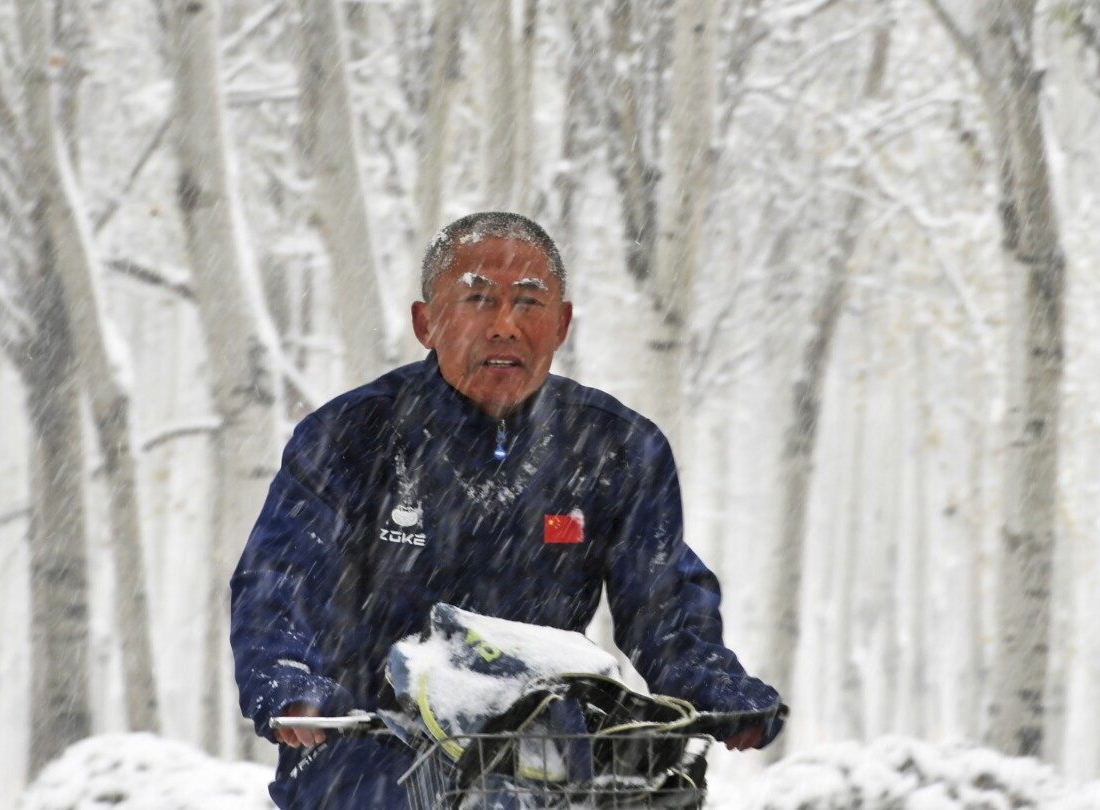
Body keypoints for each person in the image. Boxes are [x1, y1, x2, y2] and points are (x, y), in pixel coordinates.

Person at [230, 212, 783, 809]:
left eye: (528, 303)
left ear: (562, 323)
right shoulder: (347, 437)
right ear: (426, 323)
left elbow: (663, 602)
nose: (504, 326)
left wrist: (712, 684)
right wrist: (287, 683)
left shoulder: (618, 447)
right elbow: (276, 582)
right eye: (476, 299)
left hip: (545, 753)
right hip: (367, 755)